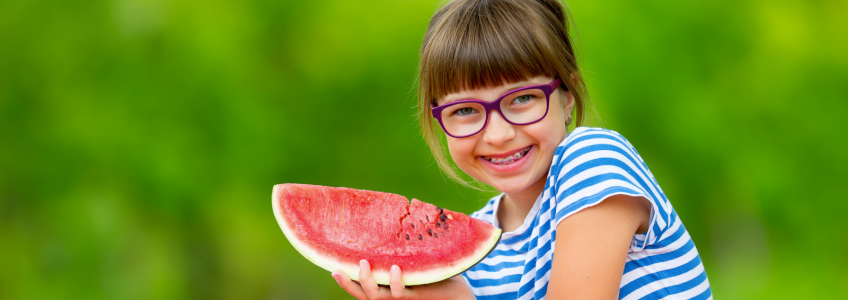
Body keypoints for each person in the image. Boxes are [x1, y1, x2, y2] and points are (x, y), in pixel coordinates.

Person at [331, 0, 712, 299]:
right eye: (465, 110)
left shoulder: (593, 160)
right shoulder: (476, 258)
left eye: (522, 99)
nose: (497, 134)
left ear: (566, 95)